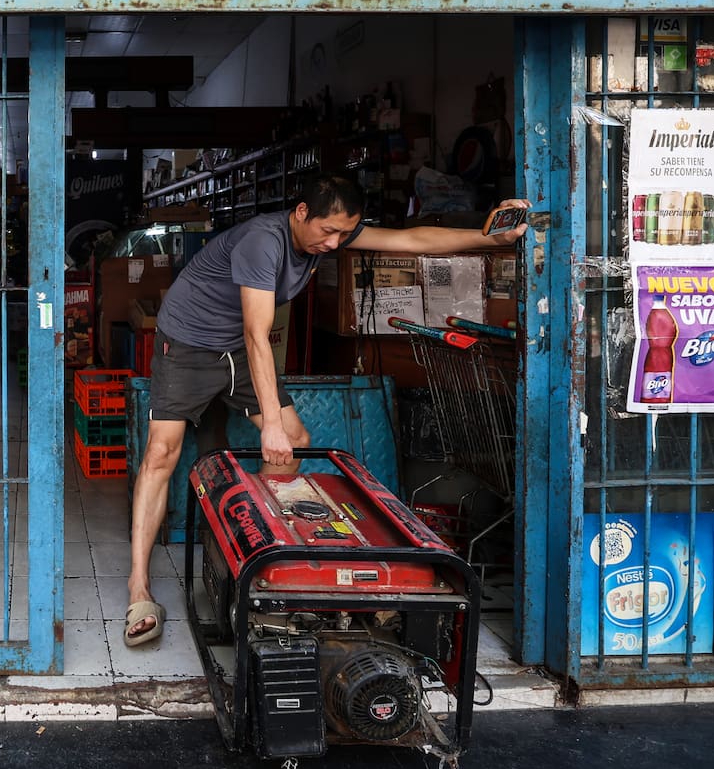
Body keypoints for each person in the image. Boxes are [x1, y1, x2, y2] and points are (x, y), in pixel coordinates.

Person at [123, 173, 530, 646]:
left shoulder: (331, 232)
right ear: (301, 213)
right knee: (162, 454)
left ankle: (259, 549)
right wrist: (267, 424)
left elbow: (412, 238)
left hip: (237, 349)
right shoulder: (262, 242)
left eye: (344, 234)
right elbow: (260, 337)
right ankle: (139, 586)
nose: (334, 242)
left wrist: (488, 236)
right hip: (190, 344)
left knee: (295, 441)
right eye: (328, 231)